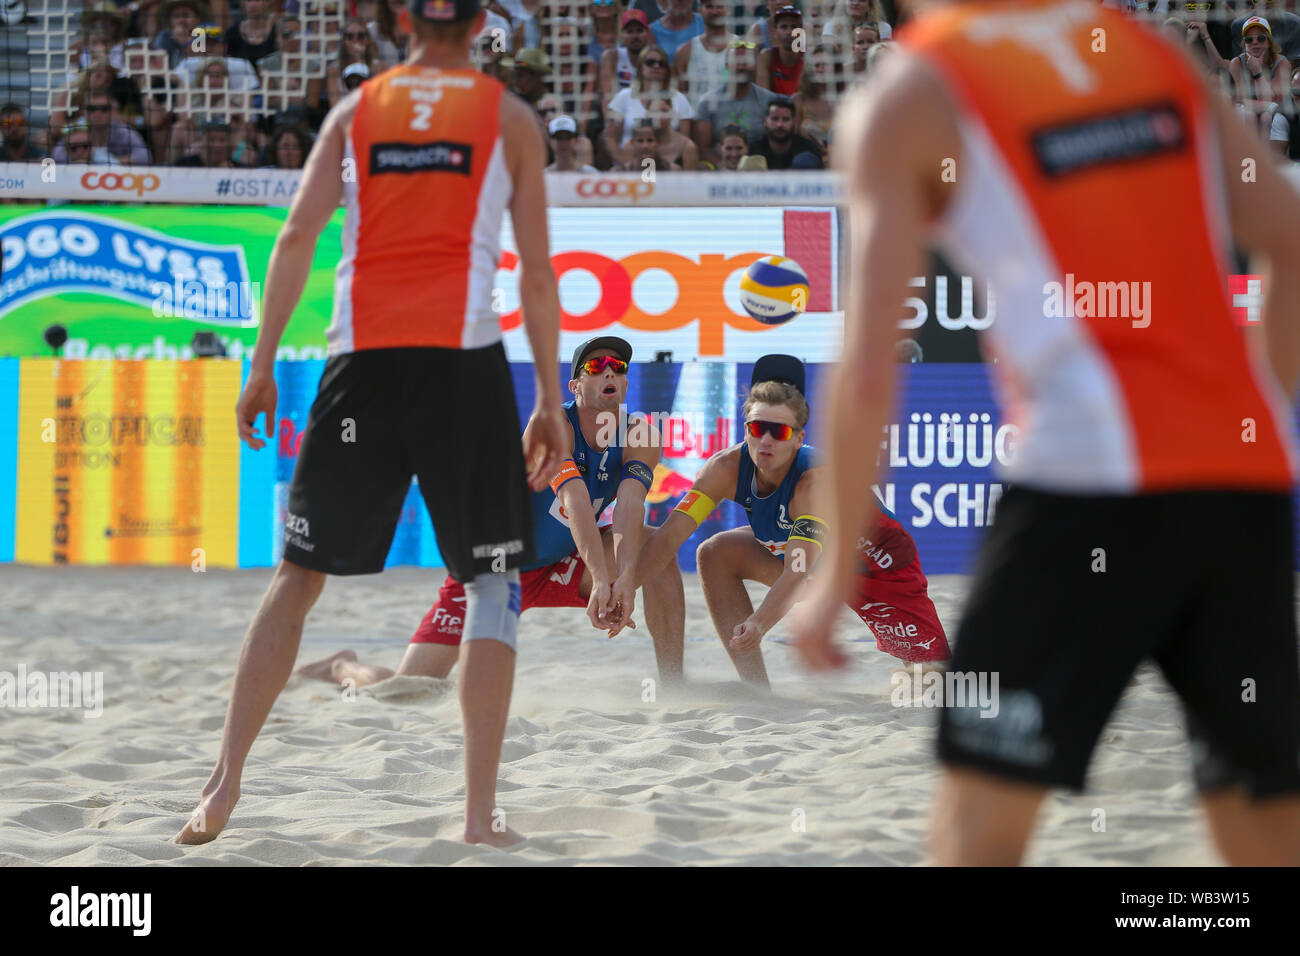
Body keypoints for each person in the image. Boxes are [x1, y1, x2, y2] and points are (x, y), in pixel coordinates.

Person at [795, 0, 1300, 867]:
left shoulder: (915, 90)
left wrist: (833, 569)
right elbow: (1288, 240)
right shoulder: (1149, 52)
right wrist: (1263, 409)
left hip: (1084, 487)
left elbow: (871, 354)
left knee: (975, 831)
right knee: (1260, 817)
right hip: (1241, 482)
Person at [174, 0, 568, 850]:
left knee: (298, 575)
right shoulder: (509, 117)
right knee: (493, 584)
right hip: (462, 365)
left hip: (364, 362)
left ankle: (223, 782)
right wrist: (547, 400)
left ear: (400, 18)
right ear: (480, 26)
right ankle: (476, 817)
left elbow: (296, 237)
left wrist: (262, 361)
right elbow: (537, 275)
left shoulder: (359, 110)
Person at [298, 337, 686, 687]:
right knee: (407, 688)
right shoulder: (551, 426)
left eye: (618, 368)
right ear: (575, 385)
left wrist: (627, 578)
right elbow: (575, 499)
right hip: (494, 563)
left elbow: (631, 507)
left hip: (560, 561)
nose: (610, 373)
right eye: (596, 367)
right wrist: (603, 578)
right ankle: (342, 667)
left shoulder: (641, 432)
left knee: (657, 548)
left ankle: (672, 684)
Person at [609, 356, 949, 690]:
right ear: (746, 430)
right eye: (758, 429)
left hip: (875, 565)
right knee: (714, 552)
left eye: (779, 431)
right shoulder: (724, 469)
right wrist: (624, 588)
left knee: (933, 679)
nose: (766, 440)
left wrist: (758, 623)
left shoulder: (812, 484)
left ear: (799, 438)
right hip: (808, 562)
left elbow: (797, 570)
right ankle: (755, 691)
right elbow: (670, 537)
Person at [691, 39, 777, 165]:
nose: (741, 67)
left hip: (760, 168)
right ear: (726, 64)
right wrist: (726, 168)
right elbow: (703, 148)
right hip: (721, 167)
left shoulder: (770, 101)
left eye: (746, 62)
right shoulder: (707, 102)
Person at [1230, 16, 1292, 139]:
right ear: (1245, 44)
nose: (1255, 42)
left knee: (1266, 117)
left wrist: (1257, 72)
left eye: (1261, 38)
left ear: (1269, 42)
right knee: (1249, 114)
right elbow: (1240, 99)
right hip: (1247, 112)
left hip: (1274, 116)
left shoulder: (1282, 63)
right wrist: (1268, 105)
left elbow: (1276, 101)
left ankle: (1264, 157)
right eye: (1249, 40)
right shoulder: (1236, 63)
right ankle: (1248, 156)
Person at [672, 0, 736, 108]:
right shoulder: (685, 52)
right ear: (700, 10)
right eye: (709, 6)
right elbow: (680, 98)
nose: (714, 12)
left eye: (719, 6)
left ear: (728, 10)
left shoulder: (742, 49)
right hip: (697, 120)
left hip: (733, 119)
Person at [748, 97, 820, 169]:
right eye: (775, 119)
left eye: (785, 119)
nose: (780, 124)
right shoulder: (753, 151)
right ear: (765, 121)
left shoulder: (809, 150)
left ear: (794, 122)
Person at [757, 5, 804, 95]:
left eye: (793, 27)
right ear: (774, 32)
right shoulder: (766, 57)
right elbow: (763, 97)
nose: (789, 32)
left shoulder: (808, 58)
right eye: (783, 27)